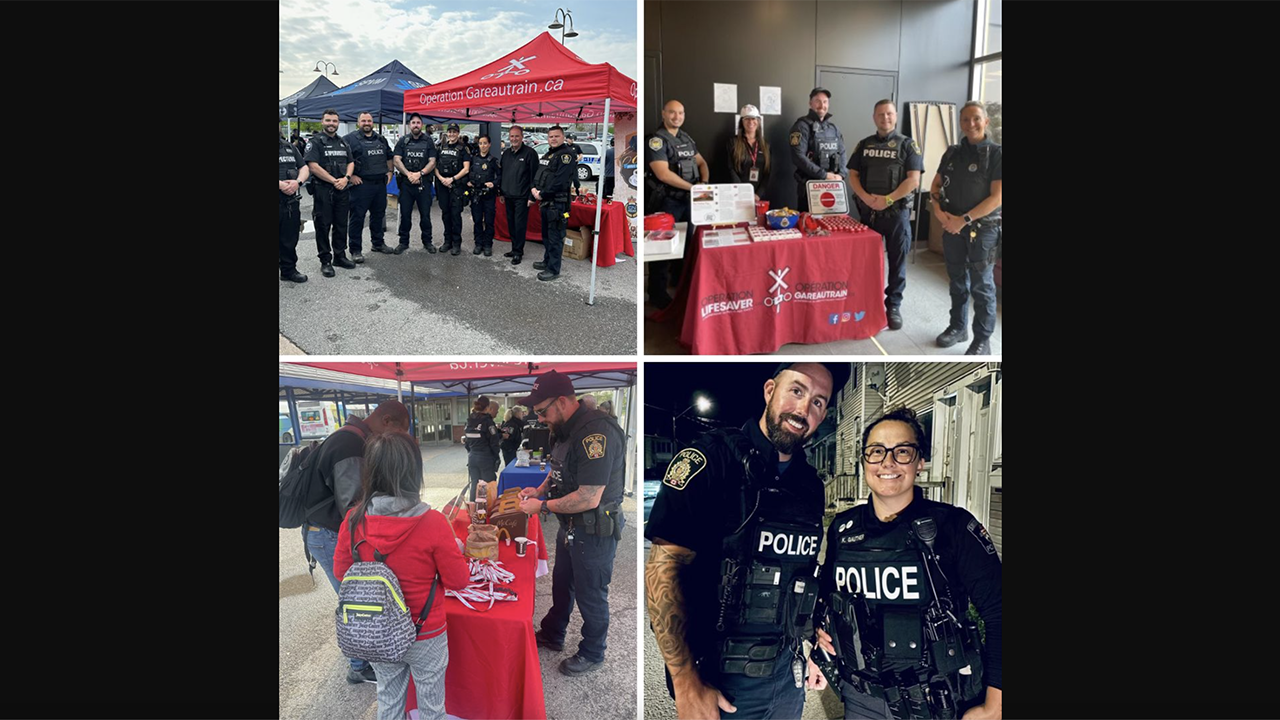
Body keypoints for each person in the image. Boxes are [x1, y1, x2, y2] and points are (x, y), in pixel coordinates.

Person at [645, 363, 842, 720]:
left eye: (818, 402)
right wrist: (686, 683)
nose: (803, 409)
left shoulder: (810, 486)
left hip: (787, 679)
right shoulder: (708, 459)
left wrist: (811, 646)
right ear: (770, 390)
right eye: (796, 391)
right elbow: (662, 571)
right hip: (721, 684)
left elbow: (800, 579)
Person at [811, 407, 1002, 719]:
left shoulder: (952, 527)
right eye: (876, 451)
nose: (888, 462)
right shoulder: (842, 529)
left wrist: (995, 707)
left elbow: (999, 612)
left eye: (902, 451)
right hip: (862, 700)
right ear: (864, 461)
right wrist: (821, 631)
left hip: (938, 702)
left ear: (920, 463)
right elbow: (830, 598)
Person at [334, 430, 471, 720]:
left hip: (378, 631)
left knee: (388, 698)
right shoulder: (432, 522)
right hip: (426, 631)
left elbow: (341, 573)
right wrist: (454, 550)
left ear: (370, 472)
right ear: (414, 471)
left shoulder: (353, 520)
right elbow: (459, 581)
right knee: (432, 707)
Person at [515, 370, 627, 676]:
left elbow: (590, 496)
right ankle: (554, 633)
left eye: (541, 411)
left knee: (591, 593)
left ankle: (593, 652)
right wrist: (539, 489)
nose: (539, 418)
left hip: (594, 528)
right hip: (571, 527)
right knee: (562, 584)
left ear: (563, 401)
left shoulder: (596, 433)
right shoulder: (561, 428)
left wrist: (542, 506)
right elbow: (558, 468)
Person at [302, 400, 414, 684]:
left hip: (330, 531)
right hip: (328, 534)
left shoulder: (354, 437)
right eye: (399, 432)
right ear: (387, 420)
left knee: (357, 596)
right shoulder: (350, 445)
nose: (395, 441)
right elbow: (353, 506)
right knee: (355, 598)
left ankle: (362, 656)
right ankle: (359, 665)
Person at [930, 102, 1002, 356]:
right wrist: (940, 214)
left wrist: (964, 220)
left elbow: (997, 198)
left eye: (976, 119)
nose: (970, 124)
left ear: (986, 122)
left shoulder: (996, 154)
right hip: (952, 228)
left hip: (983, 230)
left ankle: (983, 341)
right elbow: (936, 186)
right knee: (957, 281)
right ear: (959, 123)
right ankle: (958, 327)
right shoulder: (951, 152)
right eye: (965, 120)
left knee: (982, 287)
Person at [847, 100, 924, 332]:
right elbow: (853, 175)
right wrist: (866, 198)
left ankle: (893, 305)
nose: (885, 118)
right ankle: (866, 302)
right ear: (874, 117)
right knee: (866, 262)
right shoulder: (864, 144)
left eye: (889, 113)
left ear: (896, 116)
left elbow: (913, 179)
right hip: (869, 213)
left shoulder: (908, 145)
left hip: (896, 214)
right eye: (880, 114)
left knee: (897, 262)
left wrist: (887, 199)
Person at [645, 100, 708, 308]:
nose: (677, 117)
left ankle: (679, 285)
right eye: (672, 112)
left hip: (688, 201)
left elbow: (701, 162)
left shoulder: (685, 137)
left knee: (686, 244)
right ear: (664, 114)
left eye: (680, 113)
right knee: (662, 249)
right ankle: (657, 294)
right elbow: (662, 174)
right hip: (667, 201)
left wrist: (704, 184)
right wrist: (693, 189)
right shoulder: (656, 140)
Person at [304, 108, 356, 278]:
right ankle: (325, 261)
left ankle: (340, 256)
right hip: (323, 190)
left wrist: (346, 178)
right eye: (328, 120)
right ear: (322, 121)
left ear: (338, 123)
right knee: (323, 225)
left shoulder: (343, 143)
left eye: (334, 121)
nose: (331, 124)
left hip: (342, 188)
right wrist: (334, 181)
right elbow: (313, 166)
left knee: (341, 224)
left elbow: (351, 162)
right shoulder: (316, 142)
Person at [344, 111, 395, 261]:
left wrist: (390, 171)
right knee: (357, 218)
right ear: (358, 122)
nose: (367, 123)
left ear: (372, 122)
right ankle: (355, 250)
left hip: (379, 184)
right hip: (361, 186)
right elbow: (343, 159)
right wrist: (350, 176)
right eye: (364, 121)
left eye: (369, 121)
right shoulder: (349, 139)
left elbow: (389, 157)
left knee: (378, 216)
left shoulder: (381, 139)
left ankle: (378, 243)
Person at [530, 126, 577, 281]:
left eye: (557, 136)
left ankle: (553, 269)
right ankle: (547, 261)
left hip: (557, 204)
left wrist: (541, 194)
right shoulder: (550, 153)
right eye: (551, 136)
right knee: (547, 236)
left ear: (563, 137)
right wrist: (535, 189)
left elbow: (560, 181)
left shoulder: (566, 155)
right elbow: (541, 174)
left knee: (555, 237)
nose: (553, 139)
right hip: (545, 202)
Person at [790, 88, 847, 213]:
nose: (822, 105)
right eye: (818, 101)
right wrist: (824, 175)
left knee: (833, 228)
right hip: (810, 190)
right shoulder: (801, 126)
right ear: (810, 103)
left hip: (833, 188)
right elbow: (798, 156)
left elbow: (842, 153)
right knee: (809, 228)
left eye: (825, 102)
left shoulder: (834, 128)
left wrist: (841, 175)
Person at [392, 113, 439, 254]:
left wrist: (420, 174)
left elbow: (432, 161)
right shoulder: (403, 141)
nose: (416, 125)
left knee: (425, 215)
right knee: (405, 215)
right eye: (413, 122)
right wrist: (409, 174)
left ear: (422, 124)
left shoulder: (428, 141)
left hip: (423, 183)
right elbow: (396, 160)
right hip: (406, 184)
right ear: (409, 125)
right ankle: (403, 242)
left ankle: (427, 242)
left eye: (418, 122)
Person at [500, 125, 539, 266]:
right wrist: (501, 192)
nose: (514, 139)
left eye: (517, 136)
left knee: (519, 225)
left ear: (522, 137)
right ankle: (513, 248)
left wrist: (531, 196)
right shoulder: (506, 154)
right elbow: (502, 174)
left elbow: (535, 177)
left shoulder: (530, 153)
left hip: (522, 197)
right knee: (511, 224)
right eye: (512, 136)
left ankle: (518, 252)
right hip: (508, 195)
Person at [435, 123, 472, 256]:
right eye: (449, 132)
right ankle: (447, 241)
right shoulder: (440, 147)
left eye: (454, 132)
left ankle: (456, 243)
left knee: (455, 215)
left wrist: (452, 179)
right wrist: (441, 179)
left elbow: (466, 168)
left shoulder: (463, 149)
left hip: (456, 186)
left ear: (458, 133)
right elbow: (435, 166)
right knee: (446, 214)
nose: (451, 134)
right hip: (443, 185)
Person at [280, 131, 311, 283]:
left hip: (289, 201)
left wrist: (297, 182)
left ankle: (288, 271)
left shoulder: (290, 147)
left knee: (289, 238)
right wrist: (280, 185)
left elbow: (304, 167)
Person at [727, 104, 771, 202]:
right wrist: (744, 192)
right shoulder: (733, 142)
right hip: (739, 194)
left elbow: (767, 172)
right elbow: (731, 168)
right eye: (747, 119)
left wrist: (759, 194)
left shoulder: (765, 144)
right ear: (742, 122)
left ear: (758, 121)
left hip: (759, 196)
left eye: (753, 119)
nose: (751, 122)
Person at [463, 397, 502, 500]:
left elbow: (466, 441)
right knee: (488, 486)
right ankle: (486, 510)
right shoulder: (488, 422)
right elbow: (494, 442)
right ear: (488, 407)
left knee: (475, 484)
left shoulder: (469, 421)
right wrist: (496, 457)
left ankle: (473, 510)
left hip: (472, 457)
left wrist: (471, 451)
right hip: (485, 458)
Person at [467, 135, 499, 256]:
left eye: (485, 143)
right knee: (477, 220)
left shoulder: (493, 160)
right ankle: (478, 243)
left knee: (489, 221)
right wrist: (467, 182)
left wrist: (494, 183)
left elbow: (500, 176)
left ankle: (488, 245)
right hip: (476, 195)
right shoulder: (473, 159)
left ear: (489, 144)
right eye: (481, 143)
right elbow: (466, 172)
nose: (483, 146)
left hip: (489, 195)